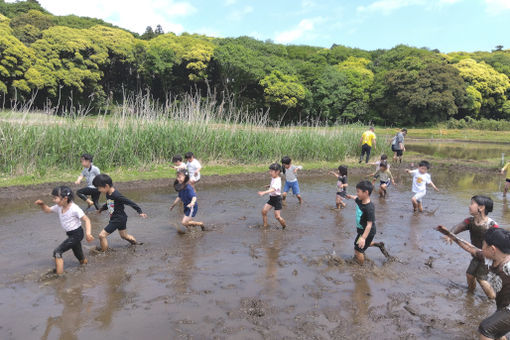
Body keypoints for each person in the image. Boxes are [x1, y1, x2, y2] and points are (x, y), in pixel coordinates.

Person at [437, 226, 510, 340]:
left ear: (493, 249)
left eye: (483, 245)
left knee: (486, 329)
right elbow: (470, 248)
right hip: (502, 307)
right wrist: (452, 236)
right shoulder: (488, 259)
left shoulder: (508, 266)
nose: (481, 248)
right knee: (497, 332)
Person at [444, 195, 499, 299]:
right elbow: (458, 227)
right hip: (476, 254)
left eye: (472, 204)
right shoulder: (470, 221)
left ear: (481, 208)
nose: (469, 206)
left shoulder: (492, 225)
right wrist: (450, 234)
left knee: (482, 279)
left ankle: (493, 300)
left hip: (488, 257)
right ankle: (470, 294)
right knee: (469, 275)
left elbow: (500, 242)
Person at [35, 186, 94, 275]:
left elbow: (87, 220)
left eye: (55, 198)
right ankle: (86, 267)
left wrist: (88, 234)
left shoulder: (74, 208)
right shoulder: (59, 206)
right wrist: (42, 204)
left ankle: (60, 277)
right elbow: (47, 210)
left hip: (77, 234)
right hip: (71, 235)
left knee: (57, 252)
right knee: (79, 255)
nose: (53, 200)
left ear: (65, 198)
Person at [93, 174, 147, 251]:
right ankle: (136, 244)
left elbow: (129, 202)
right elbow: (109, 203)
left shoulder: (116, 195)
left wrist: (140, 211)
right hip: (120, 218)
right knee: (124, 236)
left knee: (102, 235)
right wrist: (101, 209)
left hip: (118, 219)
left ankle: (103, 254)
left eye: (99, 188)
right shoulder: (109, 193)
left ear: (106, 186)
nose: (98, 190)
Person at [345, 181, 386, 265]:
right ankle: (377, 244)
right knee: (358, 244)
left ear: (366, 192)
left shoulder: (369, 208)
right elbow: (355, 197)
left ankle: (360, 268)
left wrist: (363, 238)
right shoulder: (360, 200)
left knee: (358, 250)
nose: (357, 193)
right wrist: (350, 196)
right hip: (361, 231)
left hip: (367, 232)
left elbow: (369, 225)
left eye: (358, 191)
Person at [258, 163, 287, 229]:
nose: (270, 172)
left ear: (277, 172)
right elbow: (273, 185)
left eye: (271, 171)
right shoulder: (274, 178)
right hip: (272, 199)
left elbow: (273, 189)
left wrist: (264, 192)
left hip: (277, 200)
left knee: (277, 217)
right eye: (269, 171)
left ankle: (284, 226)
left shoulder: (277, 180)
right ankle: (265, 226)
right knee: (264, 211)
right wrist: (269, 185)